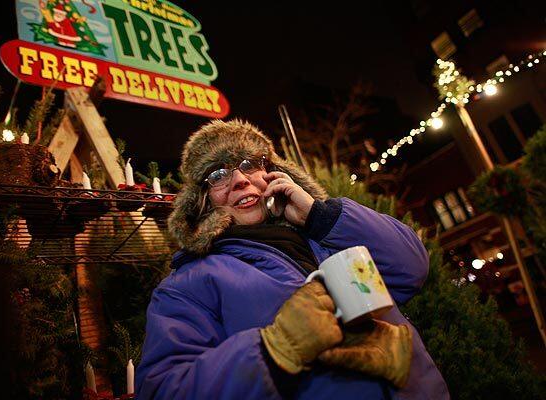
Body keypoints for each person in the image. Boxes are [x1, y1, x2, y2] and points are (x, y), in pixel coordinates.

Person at [135, 119, 450, 399]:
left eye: (249, 163)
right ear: (201, 199)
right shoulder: (188, 284)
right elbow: (163, 388)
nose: (240, 180)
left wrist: (319, 216)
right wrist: (273, 351)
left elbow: (411, 269)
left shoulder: (325, 234)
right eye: (217, 175)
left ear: (274, 173)